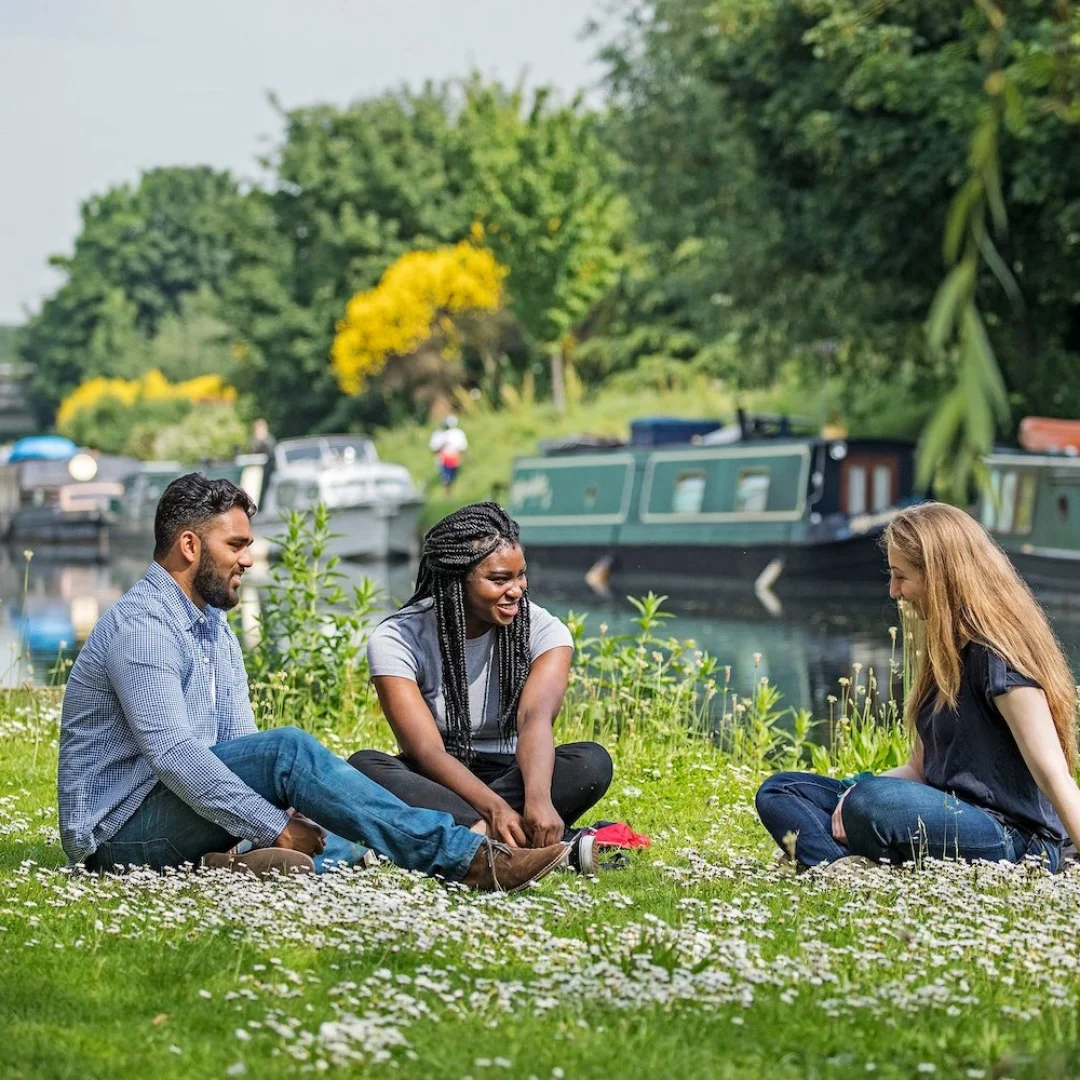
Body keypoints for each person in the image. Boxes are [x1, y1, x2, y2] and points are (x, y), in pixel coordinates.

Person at [57, 473, 568, 891]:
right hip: (122, 835)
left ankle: (224, 863)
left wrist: (292, 812)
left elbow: (240, 745)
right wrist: (273, 824)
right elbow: (173, 754)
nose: (249, 559)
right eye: (235, 545)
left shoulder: (213, 626)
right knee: (289, 755)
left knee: (346, 833)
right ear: (189, 546)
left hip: (182, 814)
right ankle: (469, 861)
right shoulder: (144, 626)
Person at [755, 501, 1080, 872]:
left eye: (901, 576)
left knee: (871, 804)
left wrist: (863, 796)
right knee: (781, 791)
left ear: (941, 576)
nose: (894, 591)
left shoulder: (1000, 658)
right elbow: (919, 768)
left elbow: (1054, 775)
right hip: (940, 810)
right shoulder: (943, 654)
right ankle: (841, 867)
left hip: (1014, 836)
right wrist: (848, 790)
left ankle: (829, 856)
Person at [349, 502, 613, 852]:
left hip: (511, 770)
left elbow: (534, 720)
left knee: (590, 761)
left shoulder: (546, 631)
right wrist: (496, 809)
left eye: (520, 576)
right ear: (457, 580)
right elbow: (426, 750)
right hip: (437, 777)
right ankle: (505, 838)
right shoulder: (396, 638)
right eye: (499, 579)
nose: (517, 590)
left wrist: (536, 800)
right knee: (363, 768)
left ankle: (466, 835)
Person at [428, 415, 468, 493]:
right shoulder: (438, 434)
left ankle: (451, 493)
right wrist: (442, 445)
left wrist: (467, 459)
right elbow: (434, 448)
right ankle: (447, 494)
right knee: (446, 478)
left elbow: (463, 447)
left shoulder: (457, 433)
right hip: (443, 459)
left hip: (454, 459)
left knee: (452, 477)